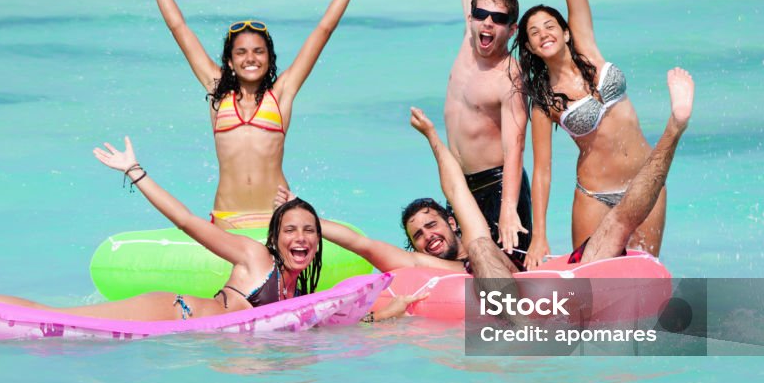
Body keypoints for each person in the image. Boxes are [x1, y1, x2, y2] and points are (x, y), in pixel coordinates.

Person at [280, 67, 694, 284]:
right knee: (479, 247)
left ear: (450, 222)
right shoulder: (428, 268)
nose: (428, 236)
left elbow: (456, 190)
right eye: (419, 234)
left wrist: (431, 138)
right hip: (507, 300)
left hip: (552, 282)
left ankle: (675, 125)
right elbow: (362, 242)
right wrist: (303, 214)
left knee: (619, 219)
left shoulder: (482, 236)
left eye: (431, 224)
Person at [0, 138, 325, 338]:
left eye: (309, 231)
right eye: (290, 230)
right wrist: (136, 172)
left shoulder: (298, 288)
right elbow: (189, 222)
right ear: (274, 236)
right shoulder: (255, 258)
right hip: (173, 312)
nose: (300, 238)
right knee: (57, 318)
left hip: (184, 332)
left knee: (56, 326)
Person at [143, 0, 367, 229]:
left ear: (270, 58)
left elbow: (323, 30)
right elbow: (179, 28)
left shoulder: (281, 94)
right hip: (226, 219)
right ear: (230, 62)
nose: (251, 58)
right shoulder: (217, 92)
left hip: (278, 217)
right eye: (241, 52)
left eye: (258, 51)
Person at [515, 0, 664, 268]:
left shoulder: (589, 50)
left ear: (565, 31)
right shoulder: (544, 101)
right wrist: (540, 235)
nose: (543, 33)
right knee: (593, 293)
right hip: (595, 197)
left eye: (550, 25)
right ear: (530, 48)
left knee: (642, 281)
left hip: (646, 186)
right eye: (534, 32)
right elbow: (544, 171)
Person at [444, 0, 531, 266]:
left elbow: (515, 147)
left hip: (497, 187)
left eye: (498, 20)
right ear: (472, 16)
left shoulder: (509, 76)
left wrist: (508, 209)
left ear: (511, 30)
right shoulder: (468, 38)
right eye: (482, 15)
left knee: (507, 279)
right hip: (458, 185)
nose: (487, 23)